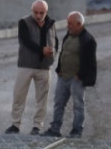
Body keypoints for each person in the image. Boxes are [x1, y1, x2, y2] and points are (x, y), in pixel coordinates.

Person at [5, 0, 57, 135]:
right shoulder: (24, 22)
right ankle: (15, 124)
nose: (38, 16)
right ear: (32, 11)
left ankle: (37, 126)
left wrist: (53, 52)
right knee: (19, 95)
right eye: (36, 12)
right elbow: (25, 41)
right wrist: (42, 50)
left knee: (42, 99)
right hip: (26, 65)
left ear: (46, 12)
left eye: (41, 13)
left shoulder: (51, 24)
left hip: (44, 66)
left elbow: (55, 39)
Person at [42, 11, 97, 139]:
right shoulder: (69, 35)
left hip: (76, 78)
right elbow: (64, 53)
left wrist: (81, 75)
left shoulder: (88, 40)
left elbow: (90, 62)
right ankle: (55, 129)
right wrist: (59, 69)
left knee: (78, 105)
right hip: (63, 76)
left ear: (79, 24)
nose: (68, 26)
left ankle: (77, 131)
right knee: (58, 103)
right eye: (68, 23)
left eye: (71, 24)